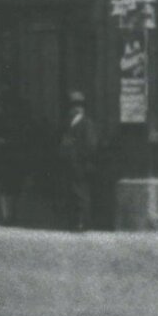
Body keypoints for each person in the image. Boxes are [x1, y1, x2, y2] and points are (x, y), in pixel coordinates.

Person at [0, 87, 33, 226]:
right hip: (11, 154)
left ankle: (8, 215)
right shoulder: (2, 115)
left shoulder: (1, 115)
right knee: (10, 185)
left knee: (7, 186)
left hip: (8, 154)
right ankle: (9, 215)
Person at [57, 90, 100, 232]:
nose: (74, 108)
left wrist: (77, 154)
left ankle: (83, 223)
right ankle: (74, 221)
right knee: (72, 193)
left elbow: (91, 145)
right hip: (70, 165)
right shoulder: (69, 123)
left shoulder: (87, 123)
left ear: (82, 108)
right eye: (72, 105)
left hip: (80, 165)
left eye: (78, 105)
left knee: (81, 194)